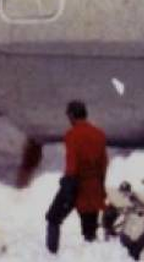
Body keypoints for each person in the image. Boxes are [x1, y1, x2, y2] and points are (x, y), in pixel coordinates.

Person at [45, 100, 108, 254]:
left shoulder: (71, 135)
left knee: (53, 218)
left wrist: (67, 186)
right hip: (93, 187)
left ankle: (50, 255)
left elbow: (72, 163)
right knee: (90, 232)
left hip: (75, 185)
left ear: (72, 115)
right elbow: (104, 163)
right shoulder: (99, 134)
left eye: (69, 116)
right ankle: (93, 256)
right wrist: (100, 186)